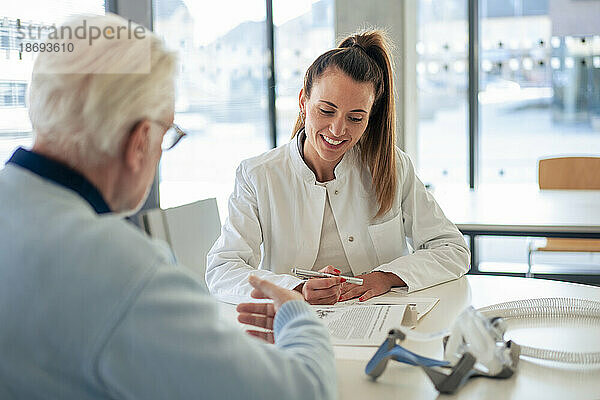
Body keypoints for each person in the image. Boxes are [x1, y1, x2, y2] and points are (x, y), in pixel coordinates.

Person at [0, 14, 336, 399]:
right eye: (167, 134)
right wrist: (298, 317)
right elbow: (304, 391)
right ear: (141, 140)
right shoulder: (123, 273)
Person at [206, 30, 470, 305]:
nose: (338, 129)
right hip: (297, 327)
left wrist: (386, 276)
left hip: (379, 322)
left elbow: (452, 249)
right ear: (303, 102)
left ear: (369, 118)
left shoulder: (392, 166)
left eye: (356, 117)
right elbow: (223, 269)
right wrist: (295, 289)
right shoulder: (258, 175)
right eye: (326, 111)